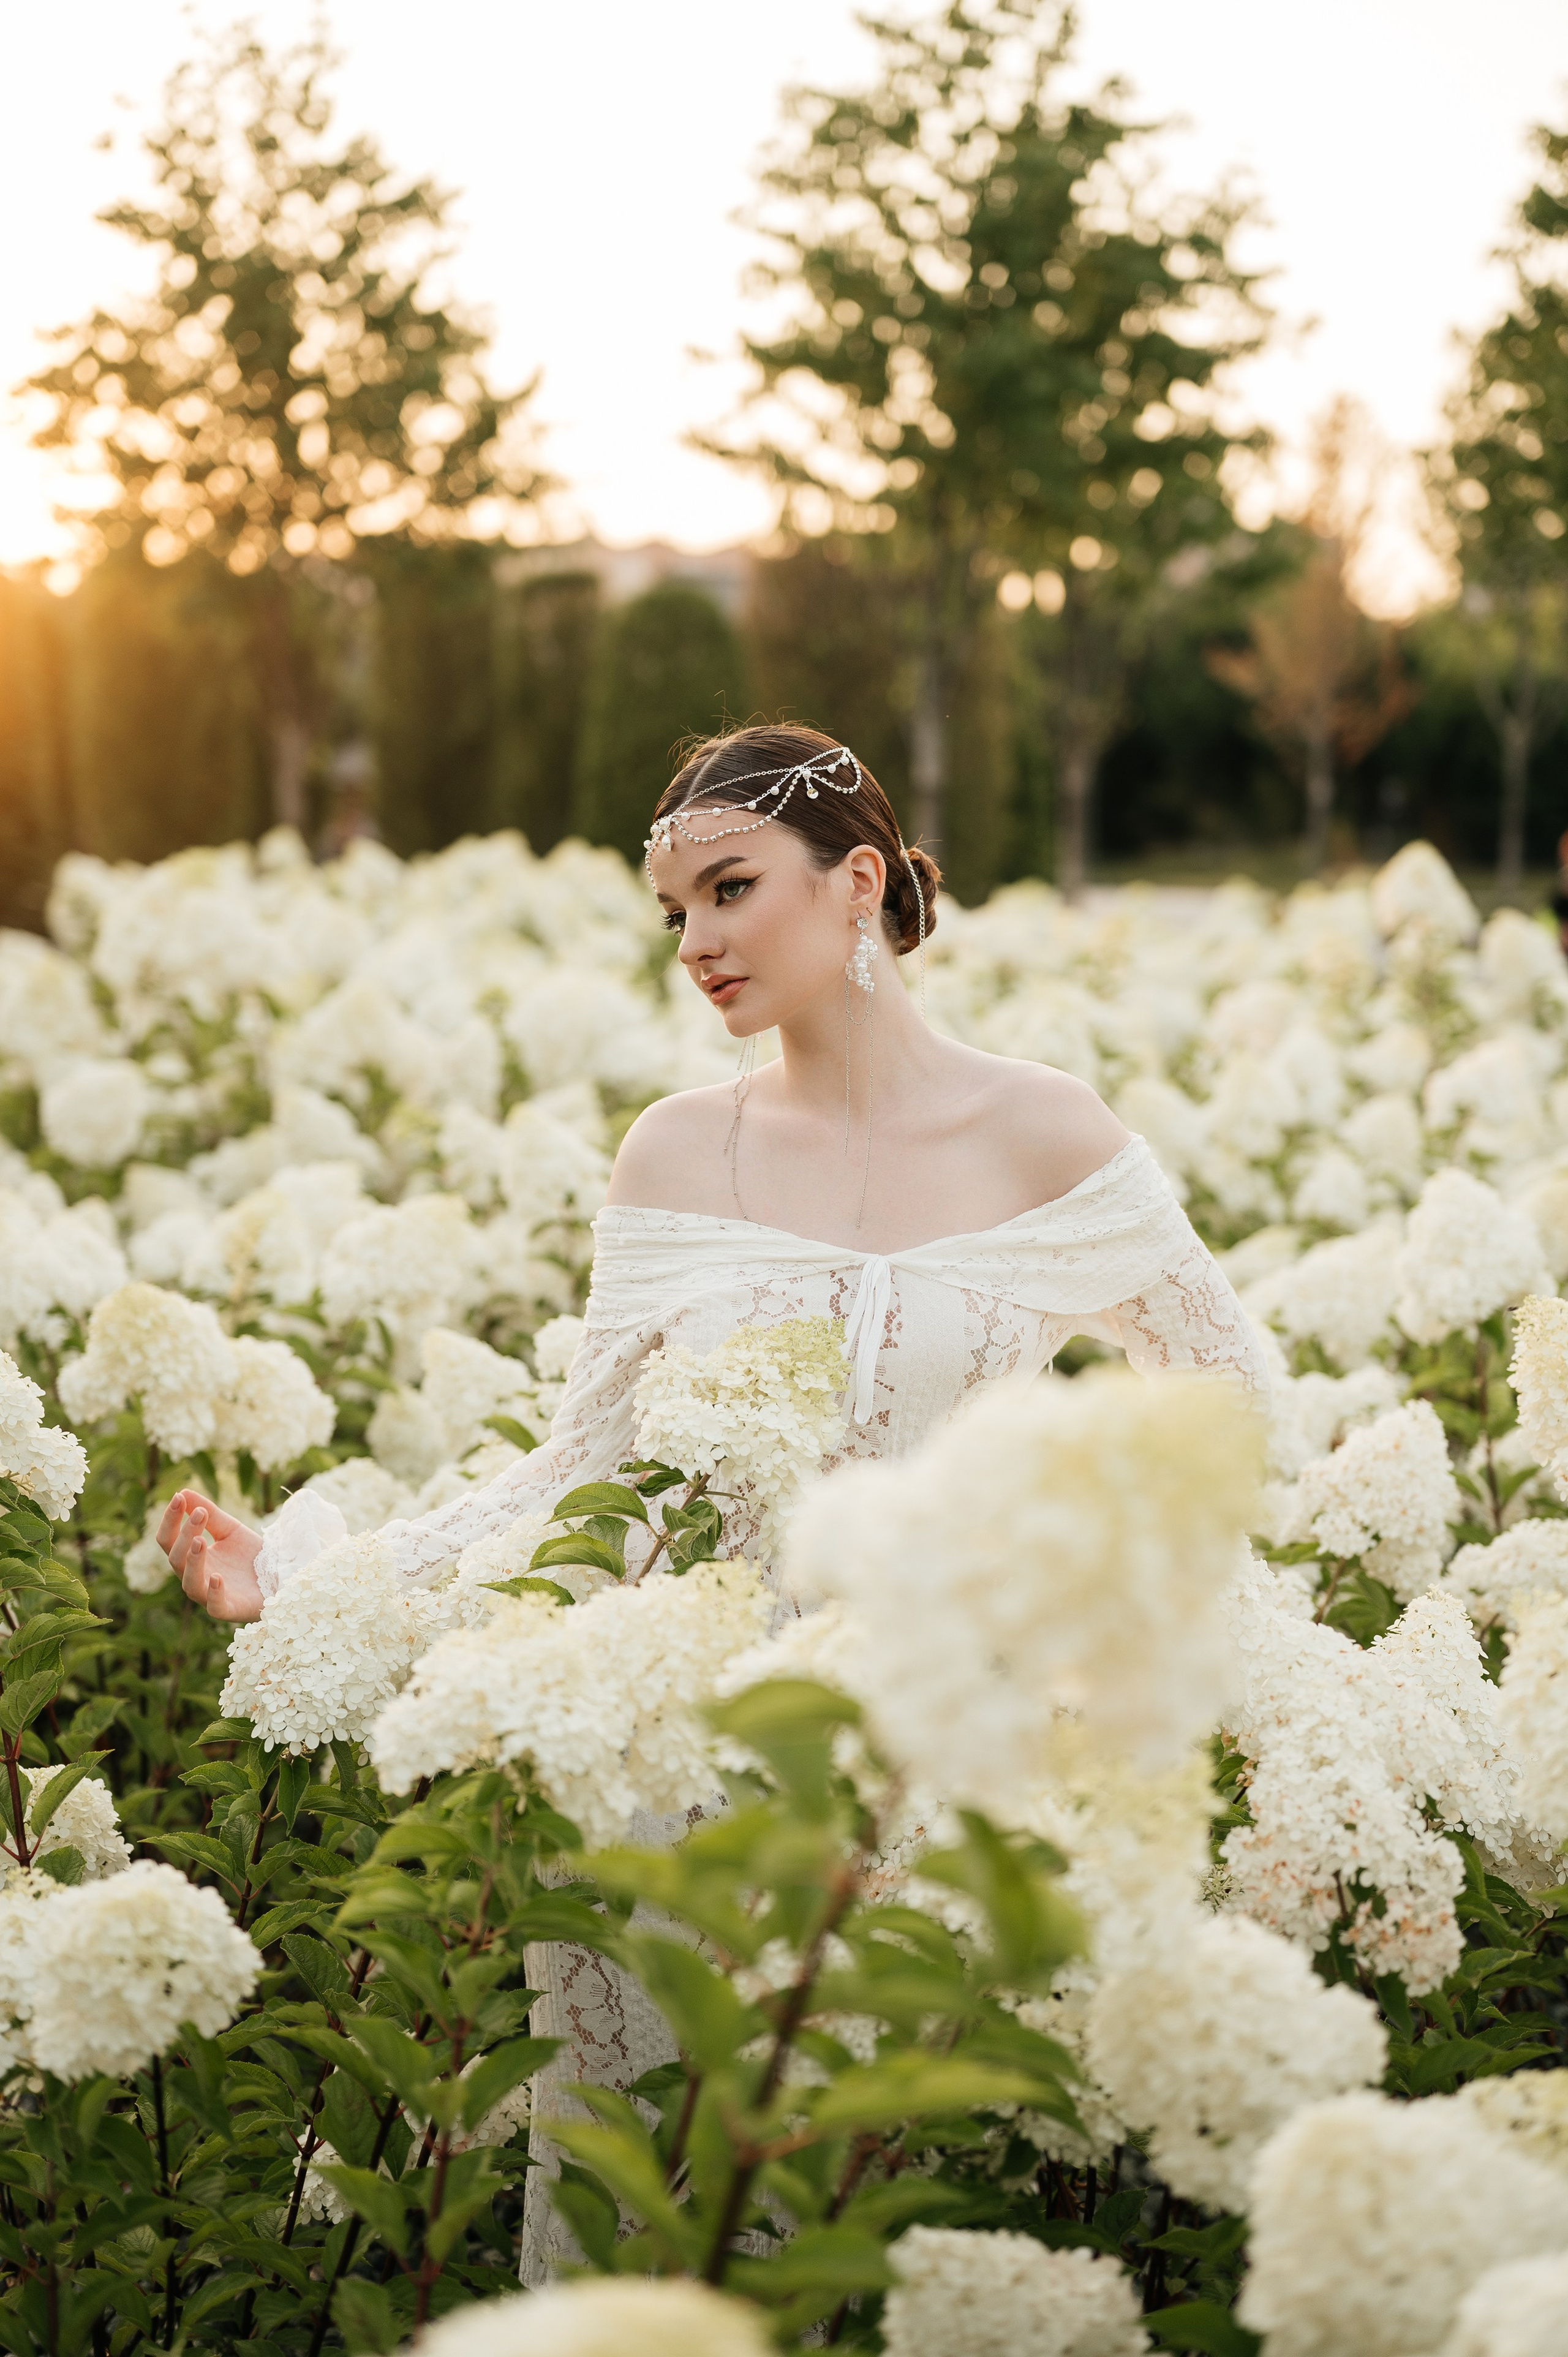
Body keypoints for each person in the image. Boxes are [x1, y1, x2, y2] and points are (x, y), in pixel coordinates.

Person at [155, 722, 1267, 2276]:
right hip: (671, 1776)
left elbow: (1227, 1402)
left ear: (858, 882)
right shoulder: (673, 1153)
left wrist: (1071, 1610)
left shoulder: (1048, 1136)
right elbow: (577, 1474)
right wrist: (309, 1572)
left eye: (731, 889)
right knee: (631, 2225)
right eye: (674, 910)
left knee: (857, 2234)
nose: (696, 943)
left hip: (921, 1781)